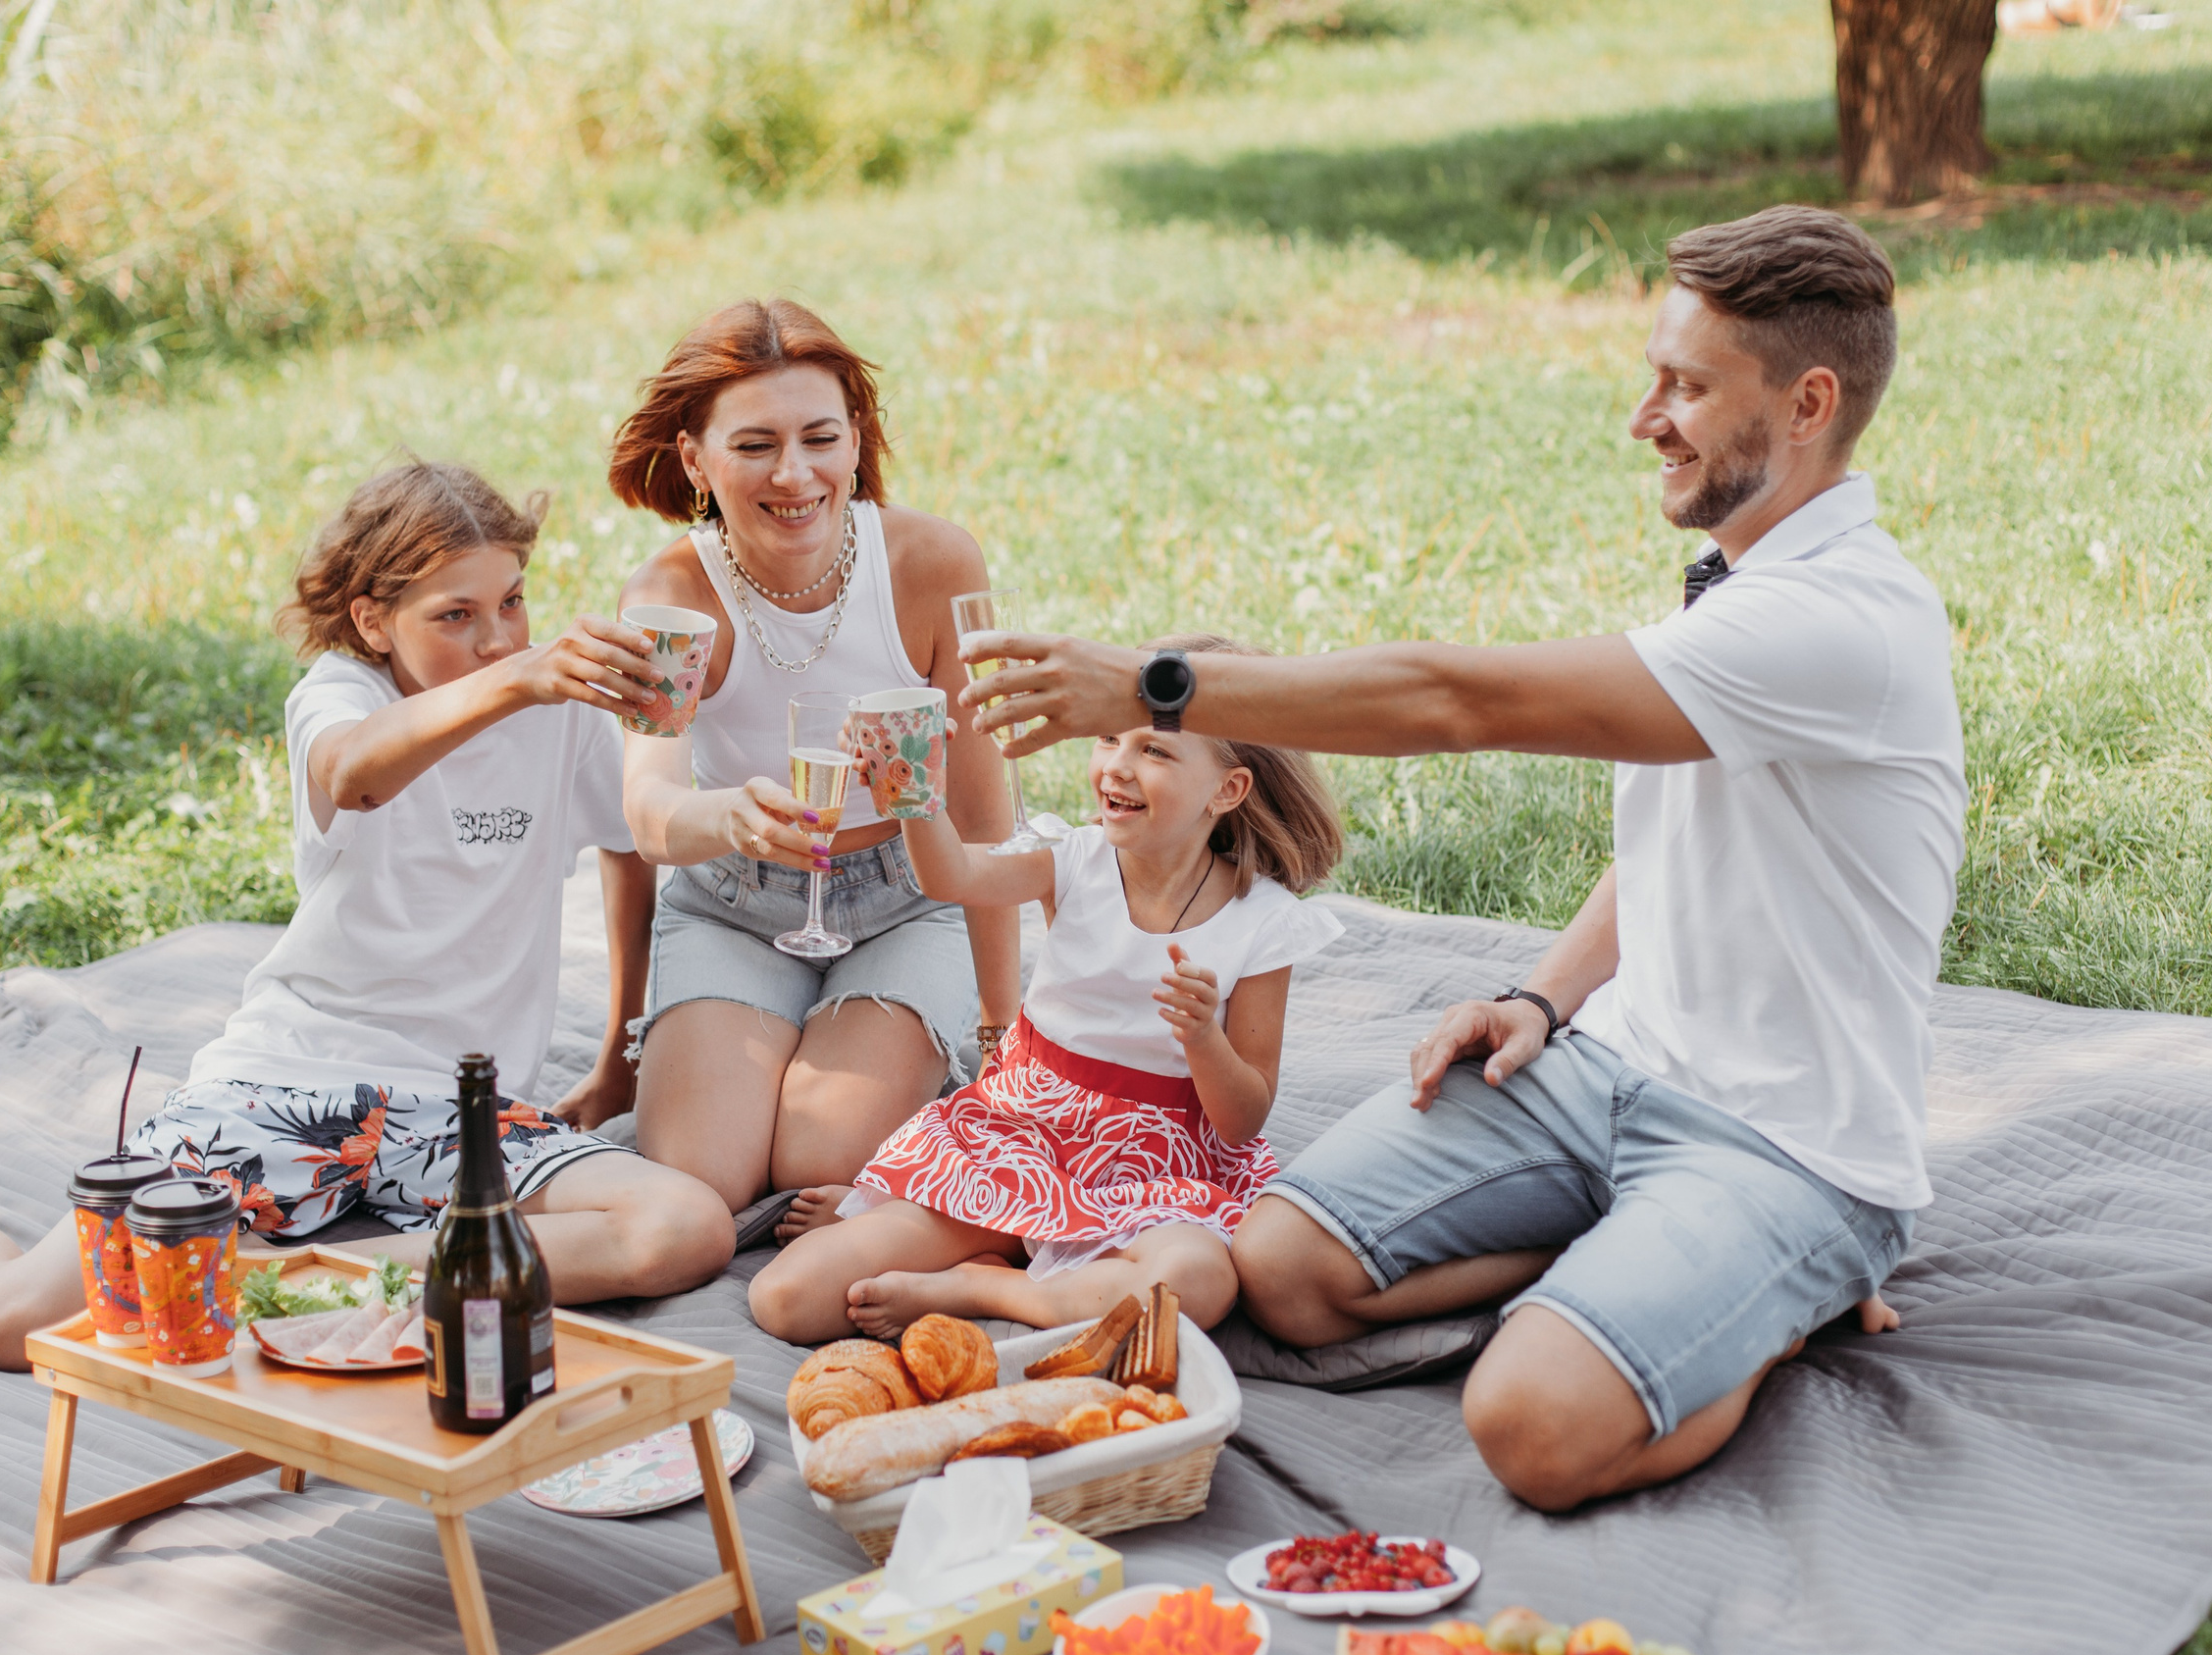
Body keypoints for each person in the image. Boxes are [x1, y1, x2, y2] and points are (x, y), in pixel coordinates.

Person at [954, 206, 1963, 1510]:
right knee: (1286, 1268)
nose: (1645, 416)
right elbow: (1685, 829)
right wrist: (1546, 995)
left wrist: (1158, 686)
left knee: (1532, 1424)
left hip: (1784, 1145)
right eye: (1655, 373)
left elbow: (1452, 702)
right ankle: (1645, 1262)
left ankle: (1781, 1296)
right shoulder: (1741, 576)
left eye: (1688, 386)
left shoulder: (1835, 619)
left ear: (1810, 401)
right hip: (1611, 1069)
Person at [0, 461, 736, 1370]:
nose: (497, 638)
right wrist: (520, 679)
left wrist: (617, 1061)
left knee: (683, 1228)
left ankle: (260, 1279)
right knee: (1, 1324)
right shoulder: (339, 697)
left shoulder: (558, 714)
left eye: (513, 601)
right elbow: (354, 775)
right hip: (287, 1083)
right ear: (373, 620)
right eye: (456, 614)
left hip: (459, 1114)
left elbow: (628, 850)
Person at [747, 635, 1346, 1344]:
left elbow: (1243, 1120)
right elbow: (952, 877)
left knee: (1200, 1280)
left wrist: (1203, 1039)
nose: (1117, 767)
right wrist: (908, 783)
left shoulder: (1263, 924)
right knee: (784, 1297)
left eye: (1154, 752)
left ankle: (986, 1281)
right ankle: (999, 1234)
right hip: (1021, 1135)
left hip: (1156, 1168)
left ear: (1229, 789)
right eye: (1108, 737)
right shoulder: (1074, 858)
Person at [606, 299, 1021, 1219]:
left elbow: (989, 820)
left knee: (817, 1155)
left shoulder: (936, 564)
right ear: (694, 460)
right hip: (736, 902)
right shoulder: (672, 597)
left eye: (820, 438)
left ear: (857, 438)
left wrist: (1004, 1030)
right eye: (753, 445)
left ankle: (882, 1067)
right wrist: (731, 818)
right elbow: (649, 804)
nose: (794, 474)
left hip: (913, 895)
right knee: (702, 1180)